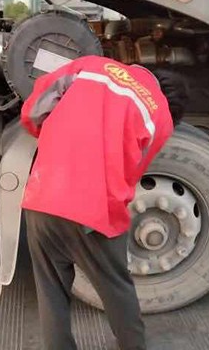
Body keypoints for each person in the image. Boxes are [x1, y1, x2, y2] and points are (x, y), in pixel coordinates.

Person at [20, 55, 186, 350]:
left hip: (42, 198)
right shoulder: (160, 115)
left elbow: (33, 112)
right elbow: (132, 171)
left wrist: (57, 142)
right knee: (116, 289)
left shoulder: (90, 66)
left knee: (51, 292)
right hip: (93, 212)